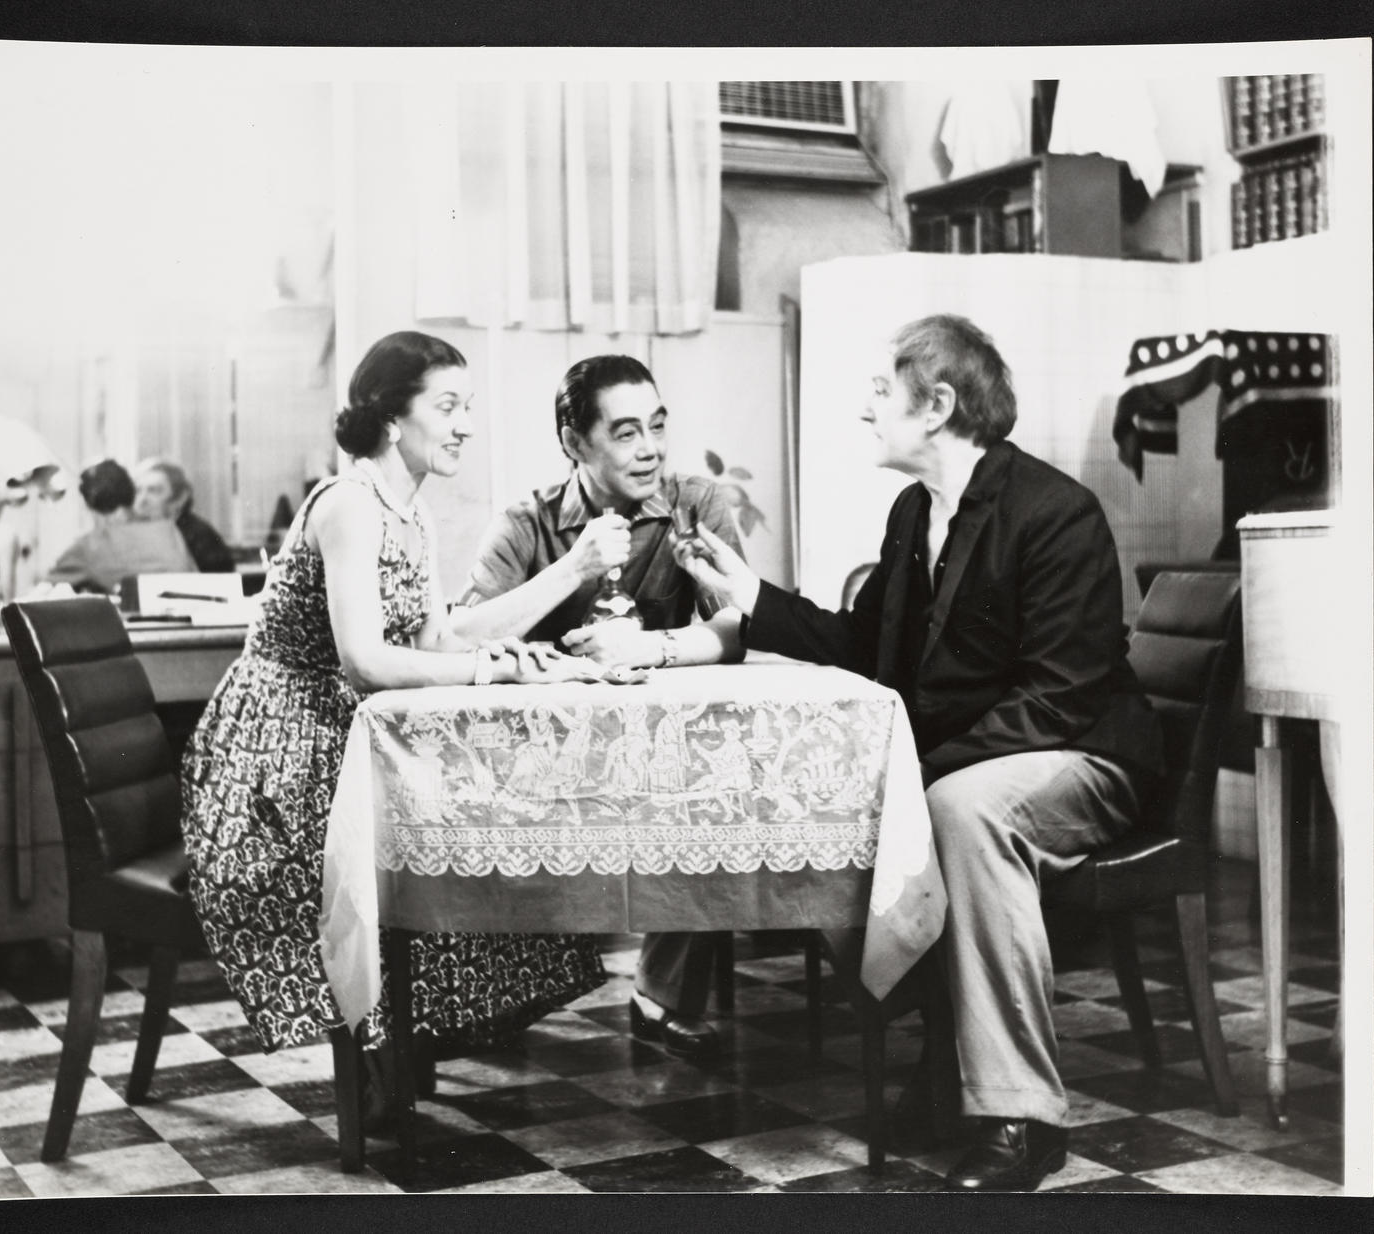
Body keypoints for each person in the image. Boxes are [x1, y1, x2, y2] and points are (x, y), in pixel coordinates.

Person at [676, 315, 1165, 1191]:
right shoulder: (914, 512)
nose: (865, 408)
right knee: (833, 807)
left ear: (937, 405)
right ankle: (949, 1054)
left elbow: (1057, 698)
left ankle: (1022, 1116)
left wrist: (920, 774)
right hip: (987, 760)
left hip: (1086, 756)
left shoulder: (1056, 514)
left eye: (879, 390)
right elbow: (870, 648)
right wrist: (748, 595)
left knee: (955, 811)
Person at [179, 331, 608, 1115]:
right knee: (403, 854)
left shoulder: (412, 515)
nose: (464, 425)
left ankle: (411, 1036)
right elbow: (366, 664)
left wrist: (568, 574)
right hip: (274, 752)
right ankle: (390, 1047)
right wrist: (489, 669)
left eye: (466, 407)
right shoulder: (348, 506)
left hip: (337, 735)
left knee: (472, 832)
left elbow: (441, 638)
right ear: (389, 419)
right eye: (447, 407)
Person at [453, 354, 746, 1060]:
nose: (649, 448)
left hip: (662, 758)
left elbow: (740, 626)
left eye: (657, 426)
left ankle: (663, 995)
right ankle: (493, 997)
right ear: (574, 442)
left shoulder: (695, 503)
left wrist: (650, 647)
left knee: (717, 783)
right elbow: (461, 638)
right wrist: (573, 568)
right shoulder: (526, 521)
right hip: (549, 765)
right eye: (625, 432)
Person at [46, 458, 196, 592]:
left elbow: (41, 593)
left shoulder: (91, 546)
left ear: (89, 507)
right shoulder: (167, 530)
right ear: (131, 493)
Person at [133, 457, 236, 574]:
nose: (141, 500)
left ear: (180, 498)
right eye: (138, 491)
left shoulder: (200, 536)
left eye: (154, 491)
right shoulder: (141, 533)